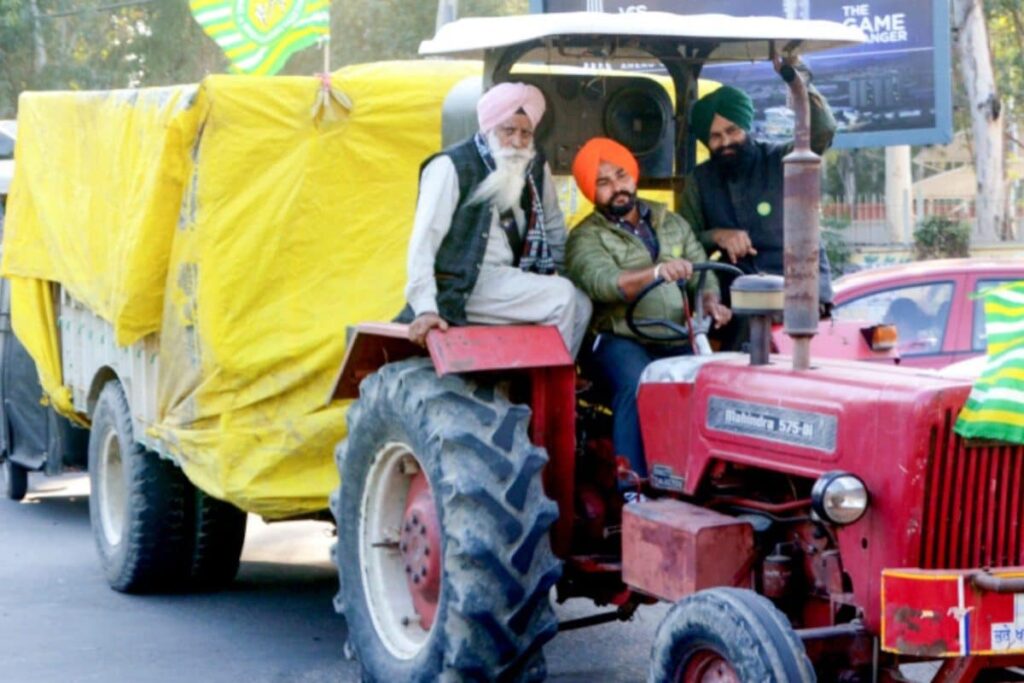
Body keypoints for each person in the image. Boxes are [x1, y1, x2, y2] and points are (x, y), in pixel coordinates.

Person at [565, 137, 730, 478]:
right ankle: (634, 488)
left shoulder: (670, 221)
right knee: (636, 382)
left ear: (633, 175)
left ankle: (707, 478)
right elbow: (604, 283)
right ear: (589, 192)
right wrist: (655, 272)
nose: (617, 188)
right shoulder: (585, 237)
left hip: (675, 333)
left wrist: (711, 301)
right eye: (603, 183)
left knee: (717, 381)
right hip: (618, 340)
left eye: (621, 176)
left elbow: (703, 271)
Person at [399, 82, 591, 356]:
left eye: (526, 134)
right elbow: (423, 242)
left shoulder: (533, 165)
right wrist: (425, 308)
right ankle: (543, 391)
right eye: (508, 131)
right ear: (489, 128)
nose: (517, 142)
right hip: (459, 284)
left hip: (508, 278)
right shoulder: (450, 166)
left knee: (581, 304)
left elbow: (553, 227)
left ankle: (548, 381)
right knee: (560, 297)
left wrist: (573, 277)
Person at [678, 55, 837, 321]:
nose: (726, 141)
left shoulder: (781, 160)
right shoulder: (699, 181)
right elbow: (684, 240)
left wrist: (799, 81)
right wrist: (718, 235)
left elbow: (823, 130)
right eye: (715, 136)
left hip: (799, 297)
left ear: (746, 127)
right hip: (737, 303)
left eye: (732, 130)